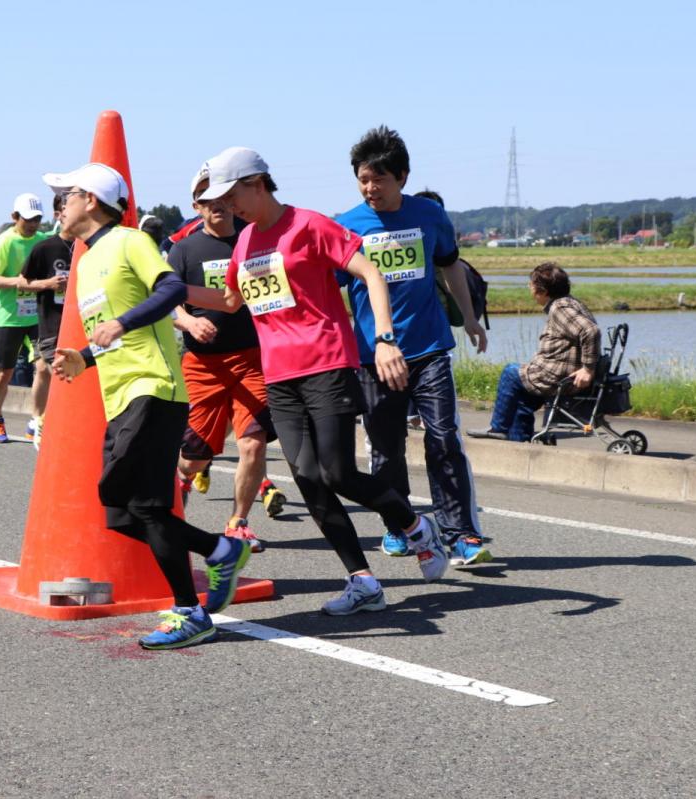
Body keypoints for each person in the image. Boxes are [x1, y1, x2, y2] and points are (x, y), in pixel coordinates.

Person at [195, 146, 448, 615]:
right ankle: (362, 581)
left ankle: (414, 526)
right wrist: (167, 290)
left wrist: (387, 338)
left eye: (232, 196)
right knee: (308, 477)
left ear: (257, 183)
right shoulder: (246, 241)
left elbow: (370, 271)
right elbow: (230, 301)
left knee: (337, 472)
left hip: (327, 364)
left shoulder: (308, 224)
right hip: (280, 376)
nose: (228, 207)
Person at [46, 161, 249, 651]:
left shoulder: (130, 240)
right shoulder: (87, 260)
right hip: (120, 394)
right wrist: (87, 356)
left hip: (154, 388)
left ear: (91, 200)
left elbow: (172, 290)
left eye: (67, 196)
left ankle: (189, 611)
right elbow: (115, 330)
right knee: (119, 511)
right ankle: (219, 550)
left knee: (147, 505)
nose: (60, 205)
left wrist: (117, 326)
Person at [335, 128, 492, 568]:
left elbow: (450, 266)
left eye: (379, 179)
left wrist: (471, 318)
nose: (370, 189)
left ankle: (461, 533)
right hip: (374, 356)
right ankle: (398, 525)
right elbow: (332, 289)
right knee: (386, 447)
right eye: (363, 179)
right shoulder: (347, 225)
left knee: (444, 439)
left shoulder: (430, 216)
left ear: (402, 176)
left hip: (428, 348)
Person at [168, 165, 281, 551]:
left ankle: (238, 523)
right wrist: (188, 323)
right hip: (203, 365)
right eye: (206, 198)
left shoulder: (253, 240)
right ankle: (172, 523)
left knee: (253, 443)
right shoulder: (183, 249)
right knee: (193, 459)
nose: (216, 203)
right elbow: (169, 303)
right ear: (196, 205)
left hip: (252, 359)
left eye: (222, 195)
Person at [469, 263, 600, 442]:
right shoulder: (571, 302)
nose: (529, 288)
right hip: (559, 373)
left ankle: (497, 427)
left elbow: (590, 331)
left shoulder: (559, 308)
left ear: (543, 291)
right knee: (521, 398)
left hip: (558, 376)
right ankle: (520, 442)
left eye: (531, 285)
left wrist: (588, 369)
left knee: (510, 372)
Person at [0, 193, 48, 442]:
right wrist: (18, 282)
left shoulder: (43, 240)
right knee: (4, 373)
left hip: (37, 315)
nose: (32, 224)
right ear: (14, 217)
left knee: (43, 366)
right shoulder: (5, 242)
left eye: (37, 219)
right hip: (10, 316)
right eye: (28, 219)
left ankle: (36, 420)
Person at [18, 193, 73, 449]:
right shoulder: (45, 248)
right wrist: (48, 284)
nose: (69, 212)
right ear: (57, 214)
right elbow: (22, 282)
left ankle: (45, 419)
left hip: (83, 324)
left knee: (50, 371)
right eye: (64, 208)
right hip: (51, 322)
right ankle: (41, 419)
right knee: (49, 370)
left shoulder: (91, 247)